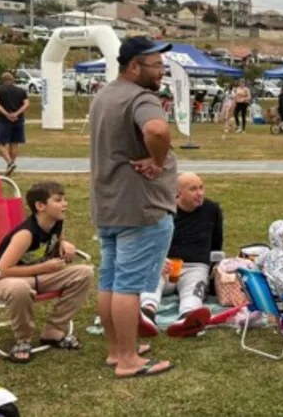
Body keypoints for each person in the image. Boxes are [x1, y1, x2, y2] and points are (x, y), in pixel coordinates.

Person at [89, 36, 177, 378]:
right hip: (140, 207)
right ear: (134, 66)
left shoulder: (104, 95)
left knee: (109, 281)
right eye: (156, 66)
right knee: (128, 286)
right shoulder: (141, 98)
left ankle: (117, 349)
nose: (162, 72)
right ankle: (128, 360)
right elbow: (156, 129)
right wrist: (157, 161)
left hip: (108, 204)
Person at [0, 182, 93, 363]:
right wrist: (43, 268)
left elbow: (56, 240)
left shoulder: (56, 222)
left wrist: (64, 244)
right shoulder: (26, 233)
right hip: (1, 280)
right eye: (58, 200)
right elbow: (1, 270)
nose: (65, 204)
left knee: (84, 273)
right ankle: (23, 340)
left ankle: (54, 330)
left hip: (35, 278)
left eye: (64, 199)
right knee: (19, 287)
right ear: (40, 206)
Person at [139, 172, 222, 339]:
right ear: (178, 193)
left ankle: (187, 318)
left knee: (194, 288)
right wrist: (157, 260)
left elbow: (216, 242)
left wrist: (215, 268)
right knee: (153, 278)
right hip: (167, 264)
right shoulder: (163, 212)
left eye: (201, 187)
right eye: (193, 189)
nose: (200, 193)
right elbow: (146, 242)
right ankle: (147, 313)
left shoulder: (212, 210)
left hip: (195, 266)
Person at [0, 72, 29, 176]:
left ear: (2, 80)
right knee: (14, 143)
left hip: (4, 120)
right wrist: (17, 113)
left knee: (0, 143)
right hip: (18, 120)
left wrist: (7, 114)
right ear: (13, 80)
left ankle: (10, 162)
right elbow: (26, 104)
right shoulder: (21, 91)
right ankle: (11, 165)